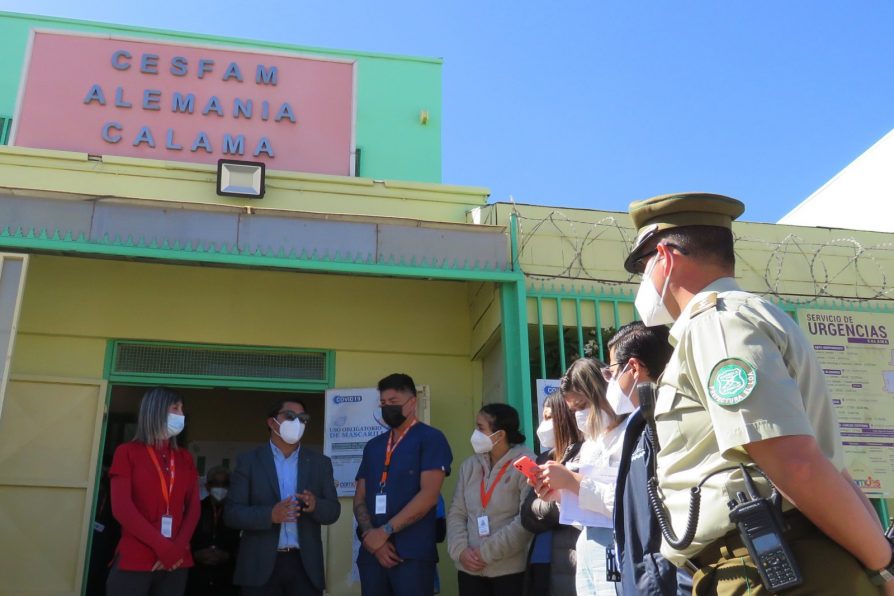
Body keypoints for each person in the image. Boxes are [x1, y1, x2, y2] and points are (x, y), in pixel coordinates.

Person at [622, 192, 894, 595]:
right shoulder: (749, 317)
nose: (645, 282)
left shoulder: (715, 325)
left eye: (644, 268)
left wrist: (884, 568)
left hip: (769, 564)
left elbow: (794, 462)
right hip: (778, 557)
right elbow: (828, 466)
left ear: (665, 256)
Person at [604, 321, 691, 595]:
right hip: (645, 580)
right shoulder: (641, 422)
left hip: (664, 583)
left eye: (612, 372)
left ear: (633, 367)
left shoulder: (668, 423)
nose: (609, 381)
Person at [225, 399, 340, 596]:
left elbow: (333, 511)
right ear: (271, 423)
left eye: (302, 418)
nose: (297, 423)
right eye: (290, 416)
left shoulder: (320, 463)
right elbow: (232, 513)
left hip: (305, 567)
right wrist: (270, 515)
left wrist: (315, 505)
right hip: (259, 566)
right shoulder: (249, 461)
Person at [533, 358, 628, 595]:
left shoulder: (631, 434)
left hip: (619, 547)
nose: (579, 415)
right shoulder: (591, 442)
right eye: (573, 409)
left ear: (602, 393)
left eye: (583, 405)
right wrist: (558, 494)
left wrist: (571, 482)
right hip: (587, 546)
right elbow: (588, 514)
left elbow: (627, 502)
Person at [354, 373, 453, 596]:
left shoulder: (431, 439)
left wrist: (386, 531)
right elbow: (360, 496)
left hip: (412, 553)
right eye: (383, 403)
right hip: (372, 552)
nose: (387, 407)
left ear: (412, 403)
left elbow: (429, 496)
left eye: (393, 402)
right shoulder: (373, 446)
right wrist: (373, 537)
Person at [106, 387, 200, 596]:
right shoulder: (127, 452)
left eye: (182, 409)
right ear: (156, 410)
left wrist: (176, 549)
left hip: (176, 561)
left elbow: (193, 509)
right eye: (175, 408)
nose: (181, 414)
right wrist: (164, 549)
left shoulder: (184, 458)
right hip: (136, 557)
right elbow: (122, 509)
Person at [447, 403, 535, 594]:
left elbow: (526, 519)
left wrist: (485, 553)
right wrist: (460, 551)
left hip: (509, 573)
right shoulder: (469, 465)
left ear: (500, 434)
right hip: (468, 571)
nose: (475, 433)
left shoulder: (527, 464)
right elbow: (457, 513)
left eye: (480, 428)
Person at [520, 392, 584, 596]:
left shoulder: (583, 454)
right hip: (540, 560)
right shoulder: (543, 458)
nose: (543, 424)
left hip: (570, 560)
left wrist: (553, 499)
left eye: (549, 417)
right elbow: (527, 515)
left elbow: (581, 506)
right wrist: (557, 500)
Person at [187, 466, 240, 596]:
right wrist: (195, 554)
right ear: (207, 486)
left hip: (227, 577)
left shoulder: (237, 512)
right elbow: (186, 538)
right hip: (197, 576)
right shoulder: (195, 509)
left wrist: (229, 556)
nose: (220, 488)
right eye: (216, 483)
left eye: (225, 484)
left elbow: (242, 542)